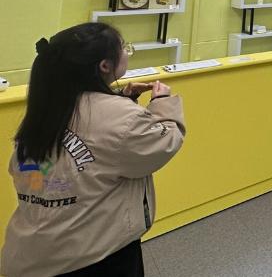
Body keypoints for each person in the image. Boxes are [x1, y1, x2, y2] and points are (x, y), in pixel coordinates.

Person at [1, 23, 185, 277]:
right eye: (123, 47)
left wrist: (122, 101)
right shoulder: (118, 116)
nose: (127, 52)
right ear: (105, 66)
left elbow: (97, 142)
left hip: (31, 252)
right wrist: (162, 103)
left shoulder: (48, 105)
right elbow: (163, 143)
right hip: (95, 256)